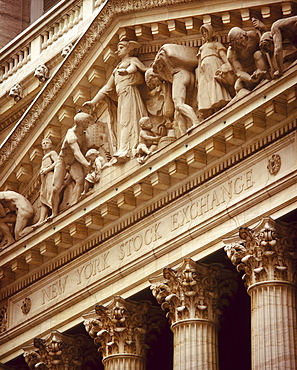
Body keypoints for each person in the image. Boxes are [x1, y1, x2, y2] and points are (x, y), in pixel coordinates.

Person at [83, 40, 148, 163]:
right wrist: (93, 102)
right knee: (122, 122)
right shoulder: (116, 68)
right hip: (122, 97)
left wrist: (127, 71)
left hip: (129, 93)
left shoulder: (131, 61)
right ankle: (123, 148)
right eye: (118, 47)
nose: (118, 50)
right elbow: (107, 88)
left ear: (128, 49)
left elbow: (134, 68)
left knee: (128, 120)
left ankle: (128, 148)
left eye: (122, 47)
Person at [51, 112, 93, 217]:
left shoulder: (83, 134)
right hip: (63, 161)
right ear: (82, 123)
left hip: (73, 161)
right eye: (87, 122)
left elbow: (87, 148)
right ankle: (54, 213)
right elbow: (76, 152)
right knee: (56, 188)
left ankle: (74, 202)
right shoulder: (71, 133)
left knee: (80, 179)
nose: (88, 124)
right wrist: (86, 164)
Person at [152, 44, 199, 133]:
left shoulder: (170, 69)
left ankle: (195, 122)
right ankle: (184, 135)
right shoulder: (170, 70)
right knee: (179, 114)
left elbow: (164, 57)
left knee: (178, 105)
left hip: (180, 77)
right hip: (189, 76)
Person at [197, 24, 232, 119]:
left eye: (206, 32)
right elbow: (199, 63)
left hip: (213, 64)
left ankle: (219, 105)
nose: (204, 34)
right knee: (207, 87)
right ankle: (211, 108)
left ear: (211, 32)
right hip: (204, 70)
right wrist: (199, 76)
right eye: (203, 33)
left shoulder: (216, 44)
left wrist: (228, 65)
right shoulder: (202, 48)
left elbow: (223, 56)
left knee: (215, 84)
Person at [227, 26, 268, 93]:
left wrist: (263, 28)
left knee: (257, 54)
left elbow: (266, 43)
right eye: (239, 44)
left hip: (259, 66)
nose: (243, 45)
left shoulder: (252, 36)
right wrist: (250, 79)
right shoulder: (231, 54)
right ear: (233, 45)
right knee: (238, 87)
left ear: (244, 35)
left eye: (242, 40)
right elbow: (239, 72)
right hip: (247, 75)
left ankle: (264, 78)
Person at [35, 138, 58, 224]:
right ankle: (41, 220)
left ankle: (54, 212)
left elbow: (57, 162)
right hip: (44, 178)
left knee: (50, 192)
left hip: (50, 175)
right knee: (43, 197)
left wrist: (47, 170)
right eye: (43, 143)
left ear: (51, 145)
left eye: (47, 143)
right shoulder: (44, 157)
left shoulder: (52, 153)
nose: (45, 144)